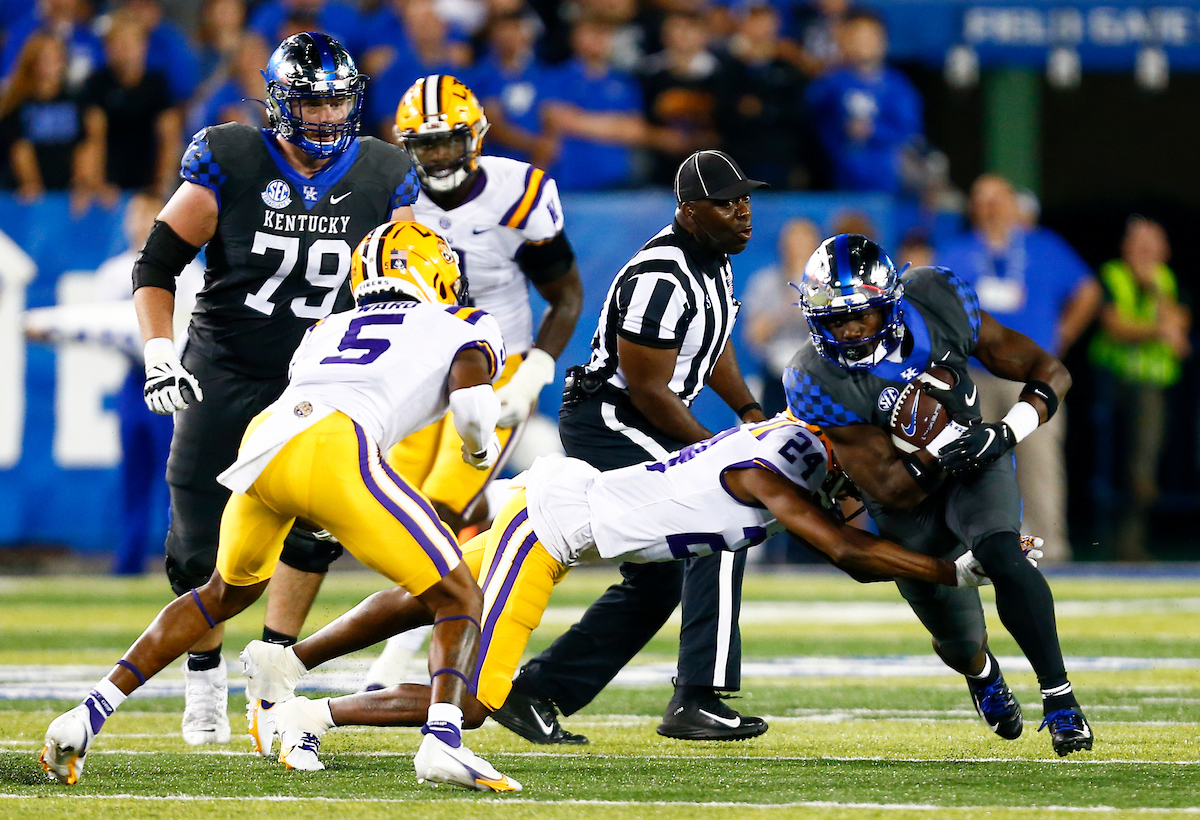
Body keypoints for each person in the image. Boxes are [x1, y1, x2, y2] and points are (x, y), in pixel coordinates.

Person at [240, 414, 1032, 771]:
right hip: (550, 529)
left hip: (561, 502)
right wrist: (954, 570)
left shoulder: (799, 447)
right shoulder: (765, 468)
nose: (866, 476)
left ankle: (285, 665)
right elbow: (850, 552)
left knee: (432, 593)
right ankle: (305, 713)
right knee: (475, 701)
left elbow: (863, 512)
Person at [40, 221, 521, 793]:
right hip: (336, 447)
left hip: (268, 439)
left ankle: (85, 715)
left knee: (222, 594)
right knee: (459, 593)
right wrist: (479, 449)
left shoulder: (326, 326)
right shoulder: (464, 323)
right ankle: (443, 743)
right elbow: (471, 410)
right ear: (436, 271)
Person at [126, 32, 418, 747]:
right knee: (200, 543)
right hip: (227, 364)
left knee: (312, 531)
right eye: (310, 99)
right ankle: (202, 673)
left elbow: (411, 287)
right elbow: (157, 265)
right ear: (279, 101)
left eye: (337, 98)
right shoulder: (230, 158)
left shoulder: (384, 171)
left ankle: (271, 673)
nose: (324, 113)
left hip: (322, 378)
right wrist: (160, 353)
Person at [491, 149, 770, 745]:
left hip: (643, 415)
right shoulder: (662, 273)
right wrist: (714, 450)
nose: (743, 212)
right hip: (609, 418)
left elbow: (710, 343)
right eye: (727, 202)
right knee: (724, 515)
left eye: (745, 198)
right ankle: (699, 696)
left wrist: (747, 412)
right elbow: (645, 385)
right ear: (690, 211)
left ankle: (538, 691)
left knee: (659, 579)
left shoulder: (713, 261)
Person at [786, 233, 1093, 756]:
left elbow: (1052, 372)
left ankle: (1061, 701)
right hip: (908, 508)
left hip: (975, 468)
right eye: (834, 318)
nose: (848, 329)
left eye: (860, 314)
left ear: (892, 303)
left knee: (1003, 555)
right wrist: (940, 444)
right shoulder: (813, 377)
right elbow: (890, 490)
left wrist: (1005, 432)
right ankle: (983, 673)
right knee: (959, 643)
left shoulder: (937, 298)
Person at [361, 74, 583, 689]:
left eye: (448, 142)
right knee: (400, 510)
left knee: (436, 511)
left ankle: (391, 665)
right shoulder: (392, 194)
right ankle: (501, 508)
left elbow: (565, 296)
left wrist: (536, 369)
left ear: (476, 138)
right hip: (417, 361)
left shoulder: (519, 192)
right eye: (423, 145)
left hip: (496, 356)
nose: (436, 157)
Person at [936, 174, 1101, 562]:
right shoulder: (957, 250)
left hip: (1030, 376)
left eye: (997, 198)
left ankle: (1050, 549)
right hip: (972, 375)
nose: (990, 206)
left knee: (1040, 460)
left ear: (1013, 203)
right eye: (982, 199)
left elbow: (1088, 290)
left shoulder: (1044, 246)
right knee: (964, 461)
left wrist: (1062, 336)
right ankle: (964, 549)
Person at [1089, 216, 1190, 561]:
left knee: (1144, 468)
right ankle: (1099, 538)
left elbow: (1179, 332)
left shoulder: (1168, 280)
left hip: (1154, 386)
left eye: (1152, 244)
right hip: (1112, 382)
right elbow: (1114, 324)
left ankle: (1131, 542)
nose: (1145, 252)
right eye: (1138, 244)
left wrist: (1157, 294)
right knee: (1106, 464)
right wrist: (1159, 330)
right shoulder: (1112, 274)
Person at [804, 9, 923, 194]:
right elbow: (814, 116)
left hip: (887, 183)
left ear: (883, 41)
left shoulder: (897, 85)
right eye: (857, 37)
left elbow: (910, 132)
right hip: (838, 180)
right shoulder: (833, 82)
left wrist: (874, 130)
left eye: (870, 37)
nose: (863, 44)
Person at [742, 216, 822, 416]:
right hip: (775, 378)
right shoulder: (765, 282)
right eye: (794, 242)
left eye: (805, 242)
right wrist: (784, 311)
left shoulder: (827, 285)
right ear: (783, 246)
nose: (798, 248)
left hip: (819, 377)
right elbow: (754, 335)